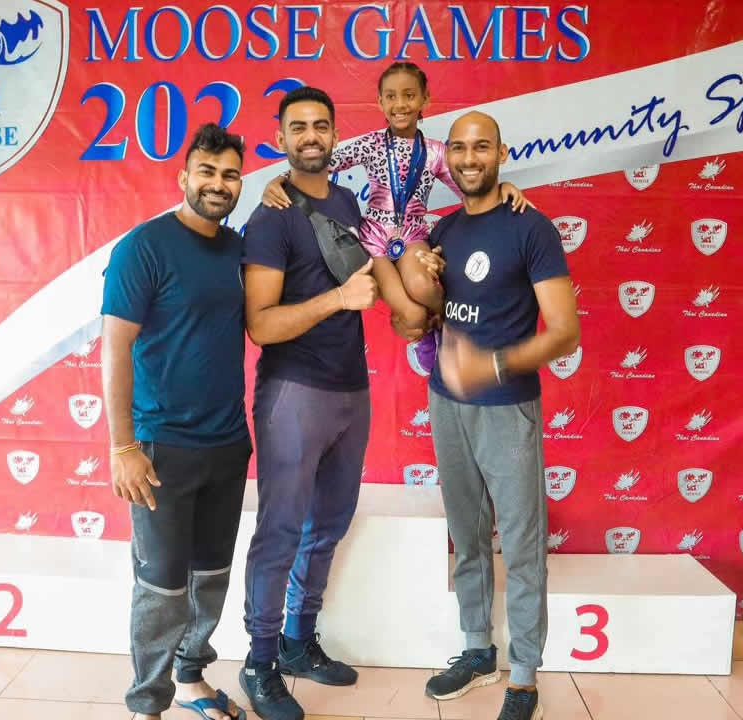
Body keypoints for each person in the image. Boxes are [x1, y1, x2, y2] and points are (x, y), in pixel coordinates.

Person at [421, 111, 580, 720]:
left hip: (507, 408)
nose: (469, 159)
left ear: (501, 153)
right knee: (466, 536)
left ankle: (524, 676)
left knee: (521, 544)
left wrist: (492, 366)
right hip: (446, 403)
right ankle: (477, 649)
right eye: (459, 148)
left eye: (481, 147)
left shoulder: (532, 228)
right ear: (448, 157)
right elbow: (431, 310)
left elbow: (564, 332)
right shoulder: (443, 229)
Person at [101, 123, 253, 720]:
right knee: (162, 584)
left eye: (230, 175)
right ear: (184, 176)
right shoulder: (143, 247)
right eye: (207, 172)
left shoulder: (238, 249)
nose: (219, 184)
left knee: (210, 574)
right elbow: (115, 348)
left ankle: (191, 680)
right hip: (160, 448)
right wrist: (123, 447)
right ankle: (147, 704)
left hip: (227, 444)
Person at [237, 86, 380, 720]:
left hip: (351, 389)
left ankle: (298, 640)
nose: (311, 136)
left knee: (328, 525)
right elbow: (261, 325)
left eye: (321, 125)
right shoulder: (270, 217)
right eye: (298, 127)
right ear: (281, 138)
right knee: (281, 530)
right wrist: (339, 300)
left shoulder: (346, 201)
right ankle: (260, 661)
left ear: (335, 134)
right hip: (294, 391)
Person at [260, 62, 529, 362]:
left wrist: (502, 188)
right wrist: (281, 179)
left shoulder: (437, 152)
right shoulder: (371, 144)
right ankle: (427, 332)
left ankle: (456, 327)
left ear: (425, 99)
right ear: (380, 102)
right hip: (374, 240)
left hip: (413, 235)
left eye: (409, 95)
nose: (400, 104)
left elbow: (470, 188)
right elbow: (321, 162)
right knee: (412, 315)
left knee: (423, 287)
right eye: (391, 96)